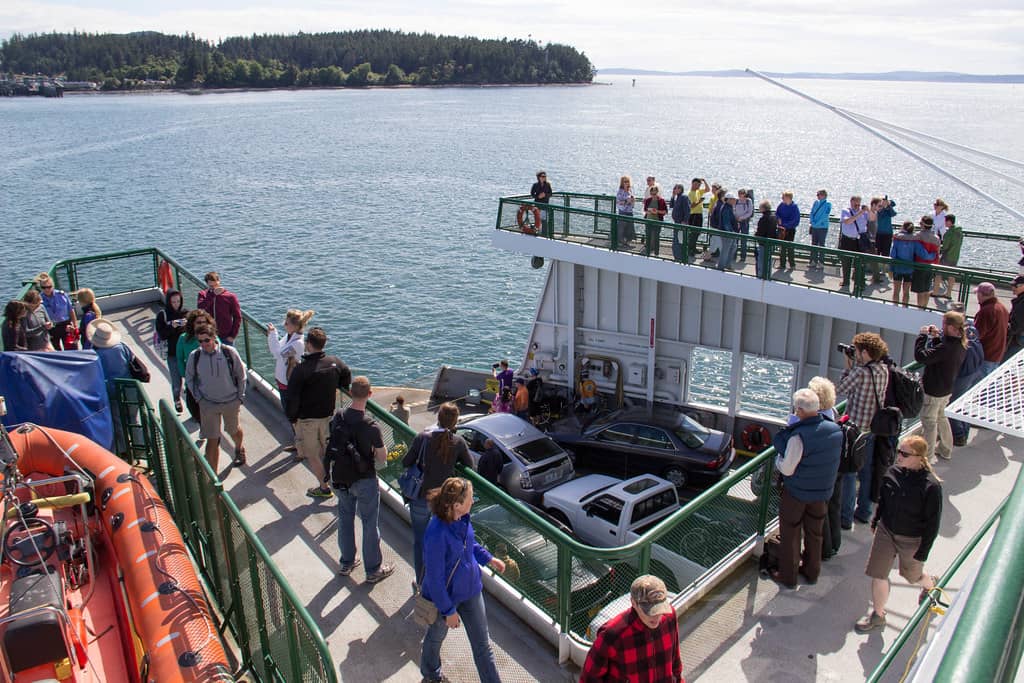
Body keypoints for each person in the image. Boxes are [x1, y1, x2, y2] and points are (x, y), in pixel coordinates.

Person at [419, 477, 505, 683]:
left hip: (471, 590)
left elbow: (469, 544)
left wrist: (488, 559)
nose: (473, 501)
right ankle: (430, 673)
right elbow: (435, 578)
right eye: (469, 498)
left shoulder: (462, 518)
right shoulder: (436, 533)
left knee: (483, 646)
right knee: (436, 637)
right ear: (456, 505)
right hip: (446, 598)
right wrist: (448, 611)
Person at [854, 435, 941, 634]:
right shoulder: (892, 473)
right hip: (887, 531)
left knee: (913, 576)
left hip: (911, 538)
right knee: (878, 573)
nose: (898, 456)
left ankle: (930, 584)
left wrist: (923, 551)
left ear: (919, 457)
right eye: (899, 452)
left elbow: (932, 523)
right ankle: (878, 614)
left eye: (904, 453)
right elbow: (883, 501)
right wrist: (876, 521)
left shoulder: (931, 486)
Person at [769, 388, 843, 588]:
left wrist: (778, 460)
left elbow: (787, 468)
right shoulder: (835, 430)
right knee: (815, 533)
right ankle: (812, 572)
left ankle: (788, 576)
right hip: (821, 494)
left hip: (797, 494)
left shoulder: (798, 436)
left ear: (799, 411)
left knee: (791, 534)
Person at [403, 402, 476, 582]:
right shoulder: (458, 442)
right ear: (455, 422)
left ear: (438, 418)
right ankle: (440, 580)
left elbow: (406, 462)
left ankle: (421, 580)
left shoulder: (422, 437)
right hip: (443, 502)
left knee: (420, 541)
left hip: (420, 497)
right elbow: (470, 465)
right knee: (442, 543)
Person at [333, 375, 395, 583]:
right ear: (370, 394)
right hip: (364, 478)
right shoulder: (371, 426)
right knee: (369, 524)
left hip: (341, 476)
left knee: (345, 517)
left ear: (350, 393)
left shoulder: (338, 417)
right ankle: (373, 570)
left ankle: (347, 562)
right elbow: (382, 456)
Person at [285, 327, 352, 498]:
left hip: (307, 420)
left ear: (308, 344)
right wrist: (339, 384)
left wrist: (292, 418)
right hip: (328, 416)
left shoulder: (302, 369)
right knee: (328, 451)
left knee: (312, 455)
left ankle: (324, 487)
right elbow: (346, 374)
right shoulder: (334, 362)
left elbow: (291, 397)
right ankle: (340, 481)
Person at [580, 574, 684, 683]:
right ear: (633, 603)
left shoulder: (669, 616)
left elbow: (675, 661)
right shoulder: (612, 634)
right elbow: (589, 678)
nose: (656, 616)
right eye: (649, 610)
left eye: (660, 608)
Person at [836, 332, 889, 528]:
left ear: (865, 352)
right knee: (866, 470)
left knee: (850, 473)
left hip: (855, 430)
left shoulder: (859, 373)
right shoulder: (883, 369)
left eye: (857, 351)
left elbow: (840, 389)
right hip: (872, 428)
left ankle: (845, 517)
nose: (854, 353)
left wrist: (847, 368)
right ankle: (864, 511)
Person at [185, 323, 247, 471]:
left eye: (206, 340)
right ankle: (213, 481)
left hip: (231, 401)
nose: (203, 344)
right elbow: (189, 378)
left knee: (234, 430)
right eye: (200, 341)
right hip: (208, 404)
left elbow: (241, 375)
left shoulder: (229, 353)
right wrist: (199, 398)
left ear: (213, 337)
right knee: (212, 440)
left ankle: (239, 448)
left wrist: (240, 397)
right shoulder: (195, 356)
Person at [915, 312, 967, 461]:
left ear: (950, 327)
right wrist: (937, 338)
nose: (942, 327)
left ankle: (928, 457)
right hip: (946, 389)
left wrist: (922, 337)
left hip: (934, 391)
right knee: (941, 417)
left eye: (944, 324)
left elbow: (921, 356)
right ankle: (946, 449)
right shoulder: (961, 343)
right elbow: (943, 354)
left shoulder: (946, 347)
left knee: (929, 423)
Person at [267, 308, 314, 450]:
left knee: (293, 415)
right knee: (290, 414)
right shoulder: (289, 337)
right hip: (283, 382)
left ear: (294, 326)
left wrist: (272, 335)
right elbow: (278, 351)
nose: (284, 325)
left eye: (287, 323)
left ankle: (301, 444)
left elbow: (277, 354)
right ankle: (298, 441)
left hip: (290, 385)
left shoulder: (297, 344)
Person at [807, 376, 843, 560]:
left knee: (821, 515)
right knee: (834, 507)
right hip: (838, 468)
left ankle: (825, 550)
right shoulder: (835, 413)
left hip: (822, 474)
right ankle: (835, 544)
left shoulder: (819, 422)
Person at [948, 322, 984, 447]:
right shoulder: (973, 332)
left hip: (964, 375)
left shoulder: (961, 338)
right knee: (966, 404)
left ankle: (959, 436)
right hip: (974, 371)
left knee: (954, 405)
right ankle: (964, 432)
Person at [176, 310, 216, 422]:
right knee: (193, 406)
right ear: (192, 324)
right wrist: (185, 374)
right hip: (192, 380)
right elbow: (179, 358)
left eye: (204, 322)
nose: (202, 325)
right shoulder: (183, 339)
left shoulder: (213, 338)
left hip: (209, 380)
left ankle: (209, 431)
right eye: (198, 322)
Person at [154, 289, 189, 413]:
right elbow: (162, 335)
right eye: (173, 302)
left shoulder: (185, 313)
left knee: (190, 378)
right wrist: (171, 326)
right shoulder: (162, 315)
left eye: (178, 301)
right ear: (168, 301)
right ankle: (177, 400)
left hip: (186, 352)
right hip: (172, 352)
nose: (176, 304)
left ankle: (190, 400)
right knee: (176, 380)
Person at [897, 215, 940, 309]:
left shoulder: (919, 235)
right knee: (926, 289)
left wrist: (897, 234)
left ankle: (920, 309)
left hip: (920, 266)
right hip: (930, 266)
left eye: (920, 223)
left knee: (920, 291)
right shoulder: (936, 238)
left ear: (923, 225)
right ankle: (924, 308)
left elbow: (906, 237)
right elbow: (938, 253)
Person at [196, 271, 242, 346]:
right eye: (211, 286)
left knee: (228, 356)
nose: (214, 288)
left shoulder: (230, 297)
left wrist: (232, 335)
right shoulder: (203, 295)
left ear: (219, 281)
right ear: (207, 284)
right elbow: (201, 307)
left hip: (225, 337)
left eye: (215, 285)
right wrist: (212, 295)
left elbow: (237, 317)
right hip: (208, 335)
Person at [972, 281, 1009, 374]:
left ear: (980, 294)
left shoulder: (986, 311)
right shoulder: (1002, 308)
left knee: (977, 385)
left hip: (986, 355)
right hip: (997, 354)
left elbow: (976, 335)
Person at [36, 273, 78, 350]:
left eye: (49, 287)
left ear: (53, 286)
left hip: (66, 325)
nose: (46, 289)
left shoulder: (62, 295)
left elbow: (71, 310)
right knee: (55, 352)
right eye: (43, 287)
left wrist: (75, 325)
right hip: (51, 328)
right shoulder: (39, 299)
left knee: (72, 349)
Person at [838, 196, 869, 289]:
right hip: (847, 240)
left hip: (858, 240)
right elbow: (847, 221)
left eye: (859, 204)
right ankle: (845, 281)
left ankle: (859, 283)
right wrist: (859, 213)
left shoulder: (864, 212)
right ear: (851, 202)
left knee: (859, 263)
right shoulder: (846, 211)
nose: (857, 206)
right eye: (856, 204)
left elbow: (873, 219)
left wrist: (869, 210)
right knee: (846, 262)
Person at [932, 214, 962, 298]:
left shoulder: (949, 233)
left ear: (949, 221)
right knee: (951, 275)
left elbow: (945, 246)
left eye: (945, 221)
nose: (944, 223)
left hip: (947, 256)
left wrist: (940, 248)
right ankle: (948, 293)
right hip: (955, 256)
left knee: (938, 273)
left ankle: (935, 292)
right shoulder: (959, 232)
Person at [890, 221, 917, 307]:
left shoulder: (897, 239)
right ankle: (904, 308)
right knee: (906, 292)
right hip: (909, 269)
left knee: (896, 291)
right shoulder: (915, 240)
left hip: (898, 268)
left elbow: (893, 255)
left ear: (903, 227)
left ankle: (895, 308)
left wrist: (891, 269)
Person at [775, 190, 800, 270]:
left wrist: (786, 225)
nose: (782, 198)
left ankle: (792, 265)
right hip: (781, 229)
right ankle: (782, 264)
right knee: (782, 248)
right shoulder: (781, 205)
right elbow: (777, 213)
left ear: (788, 198)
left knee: (790, 247)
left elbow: (796, 220)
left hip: (790, 230)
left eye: (784, 197)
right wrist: (778, 219)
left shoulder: (794, 207)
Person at [686, 177, 711, 257]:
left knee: (697, 232)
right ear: (692, 183)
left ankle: (693, 247)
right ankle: (690, 249)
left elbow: (707, 189)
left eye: (699, 185)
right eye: (697, 184)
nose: (698, 186)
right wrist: (699, 202)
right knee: (693, 233)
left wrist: (704, 181)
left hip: (699, 214)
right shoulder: (690, 193)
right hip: (693, 215)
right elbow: (691, 206)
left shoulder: (698, 191)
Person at [808, 190, 832, 270]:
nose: (817, 196)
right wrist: (812, 221)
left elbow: (825, 216)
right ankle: (813, 261)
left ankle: (821, 262)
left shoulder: (828, 204)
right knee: (813, 244)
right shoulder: (816, 203)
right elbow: (812, 212)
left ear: (824, 195)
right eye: (817, 194)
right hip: (815, 226)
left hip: (822, 227)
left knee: (821, 244)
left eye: (819, 194)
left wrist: (816, 223)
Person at [875, 196, 897, 279]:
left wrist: (888, 205)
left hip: (887, 234)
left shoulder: (888, 210)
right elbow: (879, 216)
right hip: (878, 233)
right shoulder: (879, 210)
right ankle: (876, 270)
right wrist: (883, 207)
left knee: (886, 252)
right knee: (877, 252)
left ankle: (884, 270)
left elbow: (893, 214)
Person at [754, 200, 777, 279]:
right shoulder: (774, 217)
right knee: (768, 260)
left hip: (763, 242)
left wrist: (756, 235)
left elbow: (761, 231)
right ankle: (768, 275)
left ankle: (760, 276)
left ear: (763, 208)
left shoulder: (763, 219)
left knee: (761, 260)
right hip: (771, 242)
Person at [668, 183, 691, 262]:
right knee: (676, 240)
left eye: (676, 188)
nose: (675, 190)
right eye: (674, 188)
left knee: (680, 241)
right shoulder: (678, 197)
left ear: (681, 189)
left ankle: (681, 257)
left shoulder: (684, 197)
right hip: (676, 223)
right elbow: (671, 205)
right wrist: (673, 196)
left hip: (681, 223)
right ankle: (678, 257)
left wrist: (685, 221)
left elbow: (687, 210)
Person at [643, 185, 667, 255]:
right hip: (648, 220)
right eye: (652, 194)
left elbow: (665, 211)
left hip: (657, 221)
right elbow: (645, 210)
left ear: (657, 193)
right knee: (648, 235)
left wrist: (657, 211)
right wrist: (649, 211)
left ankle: (656, 252)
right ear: (650, 193)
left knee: (656, 236)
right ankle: (648, 250)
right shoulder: (648, 200)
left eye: (655, 194)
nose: (653, 195)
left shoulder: (661, 201)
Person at [717, 191, 738, 270]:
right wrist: (731, 232)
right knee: (726, 250)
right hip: (727, 233)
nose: (735, 201)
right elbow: (726, 222)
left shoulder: (728, 207)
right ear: (729, 200)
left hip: (729, 232)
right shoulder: (726, 208)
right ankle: (721, 266)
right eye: (733, 199)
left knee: (732, 247)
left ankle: (727, 264)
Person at [1006, 275, 1024, 361]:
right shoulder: (1020, 300)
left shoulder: (1022, 303)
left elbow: (1017, 325)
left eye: (1015, 285)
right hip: (1018, 337)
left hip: (1018, 339)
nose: (1012, 288)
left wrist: (1006, 329)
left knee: (1006, 363)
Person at [615, 176, 637, 246]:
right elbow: (618, 202)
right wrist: (626, 201)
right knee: (622, 227)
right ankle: (620, 241)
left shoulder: (630, 190)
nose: (627, 183)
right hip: (623, 211)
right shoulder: (620, 191)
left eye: (628, 181)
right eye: (625, 182)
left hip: (629, 211)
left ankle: (628, 241)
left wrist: (633, 201)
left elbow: (632, 203)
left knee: (630, 227)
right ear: (622, 183)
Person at [734, 189, 754, 262]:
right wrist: (736, 217)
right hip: (736, 221)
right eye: (739, 194)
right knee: (735, 239)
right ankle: (734, 254)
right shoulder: (736, 201)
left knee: (744, 239)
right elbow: (734, 209)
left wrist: (741, 218)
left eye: (741, 194)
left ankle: (743, 256)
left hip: (744, 222)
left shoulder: (749, 201)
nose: (740, 196)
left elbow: (749, 212)